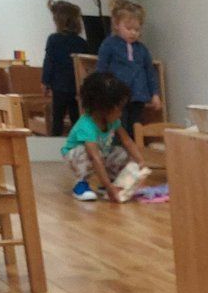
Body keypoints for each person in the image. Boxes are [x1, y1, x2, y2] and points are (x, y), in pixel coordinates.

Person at [61, 70, 148, 201]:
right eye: (119, 109)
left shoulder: (113, 121)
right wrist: (109, 187)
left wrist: (141, 162)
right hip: (76, 157)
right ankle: (81, 185)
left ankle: (113, 182)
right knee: (87, 153)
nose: (121, 113)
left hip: (100, 154)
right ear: (104, 108)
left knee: (121, 153)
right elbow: (95, 157)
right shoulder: (86, 126)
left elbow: (127, 141)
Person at [95, 0, 161, 136]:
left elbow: (150, 71)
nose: (133, 33)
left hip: (138, 97)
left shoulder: (142, 49)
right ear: (117, 24)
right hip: (117, 97)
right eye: (129, 28)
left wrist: (155, 94)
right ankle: (118, 152)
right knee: (118, 126)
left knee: (135, 127)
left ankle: (133, 152)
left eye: (137, 29)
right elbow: (101, 69)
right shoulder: (109, 45)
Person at [41, 0, 88, 137]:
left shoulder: (54, 39)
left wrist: (45, 82)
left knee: (57, 118)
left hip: (59, 86)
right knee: (76, 118)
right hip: (76, 86)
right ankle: (77, 144)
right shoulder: (81, 42)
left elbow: (49, 62)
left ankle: (54, 144)